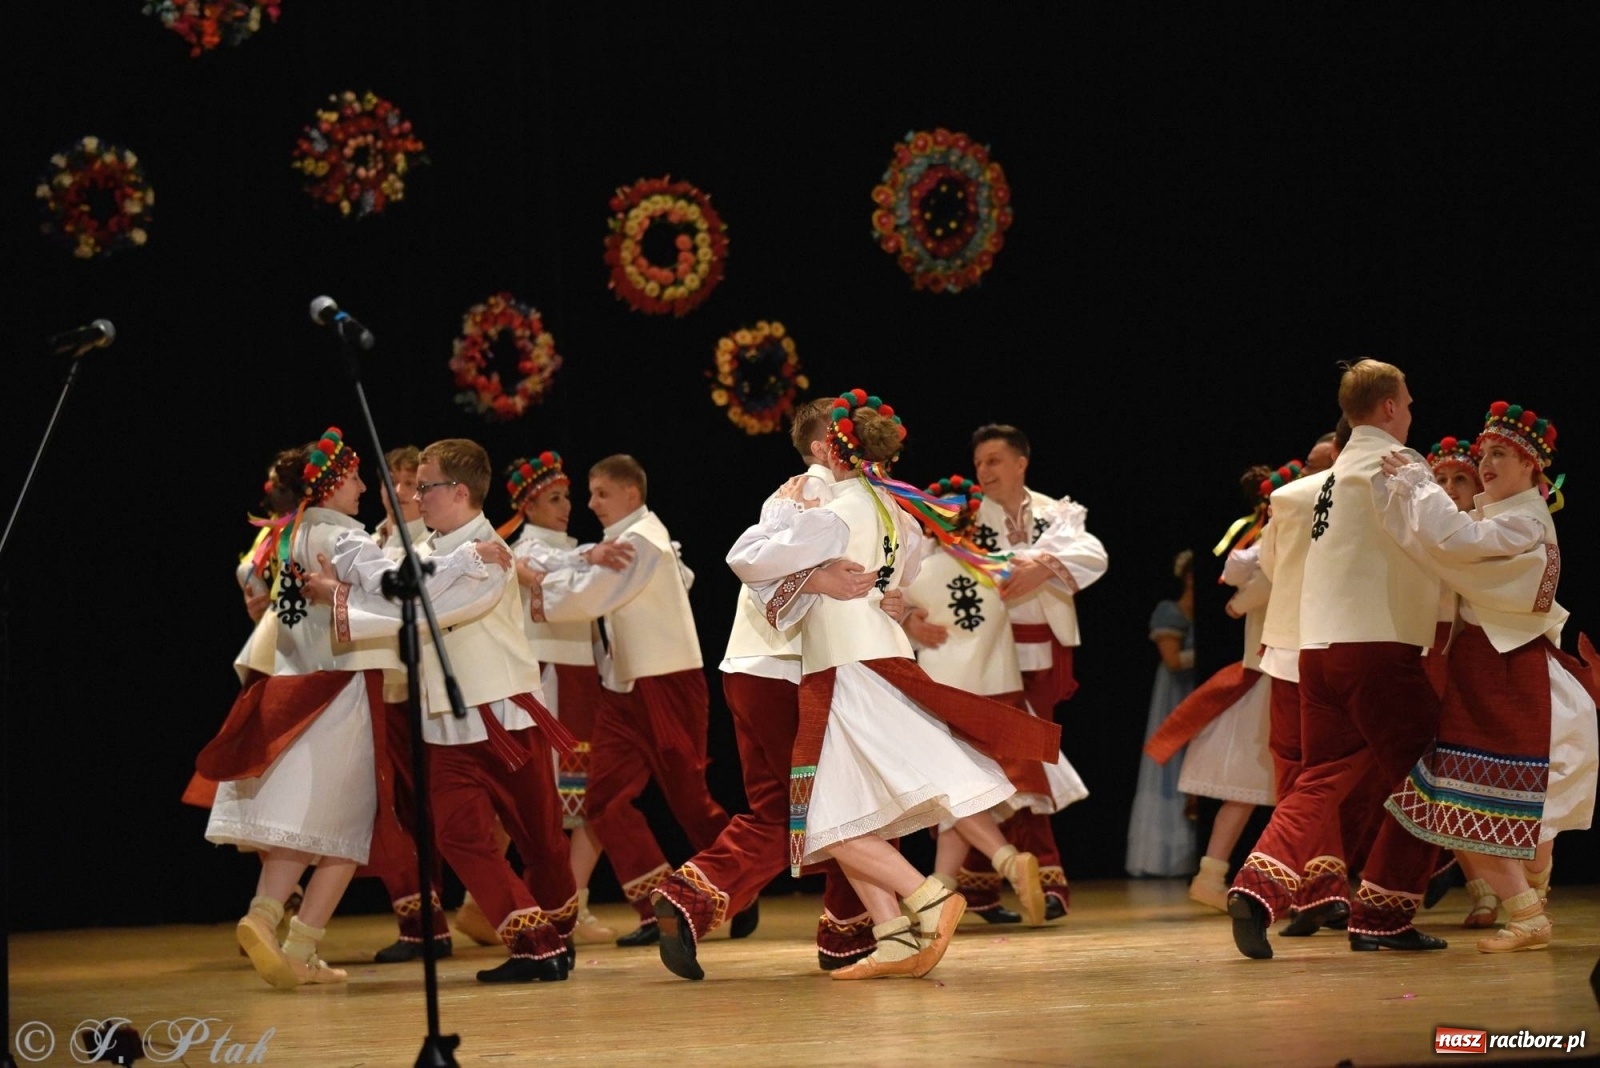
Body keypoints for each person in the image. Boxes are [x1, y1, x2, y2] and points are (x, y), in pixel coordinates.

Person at [725, 389, 1060, 981]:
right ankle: (894, 937)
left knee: (825, 821)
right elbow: (902, 579)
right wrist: (880, 593)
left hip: (845, 668)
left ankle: (928, 897)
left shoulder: (824, 511)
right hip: (886, 660)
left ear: (831, 449)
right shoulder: (893, 509)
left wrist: (813, 576)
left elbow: (745, 557)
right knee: (854, 813)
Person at [305, 437, 580, 983]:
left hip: (503, 713)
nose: (414, 496)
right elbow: (394, 593)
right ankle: (536, 942)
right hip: (443, 722)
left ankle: (558, 934)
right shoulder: (425, 552)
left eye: (424, 486)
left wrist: (339, 598)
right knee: (457, 837)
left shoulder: (492, 553)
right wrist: (344, 584)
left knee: (539, 838)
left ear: (458, 491)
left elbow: (431, 612)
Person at [651, 397, 881, 980]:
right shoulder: (812, 490)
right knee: (845, 802)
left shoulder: (843, 494)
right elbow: (751, 563)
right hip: (783, 669)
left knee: (782, 811)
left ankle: (690, 897)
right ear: (825, 446)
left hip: (757, 666)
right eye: (853, 433)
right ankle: (853, 932)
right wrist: (815, 575)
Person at [1228, 359, 1448, 960]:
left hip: (1316, 654)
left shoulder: (1307, 488)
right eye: (1407, 401)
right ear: (1387, 409)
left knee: (1318, 779)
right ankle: (1383, 912)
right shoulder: (1400, 467)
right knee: (1434, 775)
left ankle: (1256, 886)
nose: (1410, 410)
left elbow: (1276, 570)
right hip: (1377, 647)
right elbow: (1441, 542)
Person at [197, 429, 416, 987]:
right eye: (358, 477)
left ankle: (264, 916)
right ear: (335, 482)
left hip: (296, 687)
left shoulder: (290, 535)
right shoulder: (345, 539)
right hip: (340, 693)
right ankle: (300, 947)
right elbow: (402, 592)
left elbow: (286, 612)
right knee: (347, 832)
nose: (366, 487)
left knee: (303, 832)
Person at [1379, 401, 1598, 952]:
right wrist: (1406, 492)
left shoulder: (1523, 521)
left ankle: (1527, 913)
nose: (1489, 462)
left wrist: (1417, 484)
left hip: (1509, 673)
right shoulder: (1493, 519)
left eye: (1500, 454)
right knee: (1477, 802)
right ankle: (1531, 903)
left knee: (1461, 800)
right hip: (1488, 669)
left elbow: (1450, 544)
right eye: (1486, 454)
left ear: (1531, 467)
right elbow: (1432, 547)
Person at [525, 455, 732, 946]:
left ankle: (735, 885)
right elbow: (680, 580)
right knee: (602, 803)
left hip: (666, 682)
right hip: (623, 686)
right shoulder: (632, 542)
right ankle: (658, 907)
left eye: (600, 493)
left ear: (631, 495)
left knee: (688, 799)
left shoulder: (642, 541)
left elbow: (590, 598)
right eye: (590, 493)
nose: (590, 503)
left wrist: (534, 584)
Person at [900, 473, 1088, 926]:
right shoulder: (997, 564)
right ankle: (964, 881)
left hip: (949, 694)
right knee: (965, 792)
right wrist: (907, 618)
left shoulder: (915, 569)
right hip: (988, 690)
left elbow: (876, 600)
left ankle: (946, 891)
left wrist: (905, 617)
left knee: (957, 792)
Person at [968, 423, 1108, 910]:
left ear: (1020, 463)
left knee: (1023, 762)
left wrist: (1042, 566)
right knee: (1011, 762)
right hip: (988, 653)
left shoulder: (1054, 512)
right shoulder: (966, 517)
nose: (983, 470)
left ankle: (982, 882)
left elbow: (1094, 555)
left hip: (1044, 650)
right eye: (979, 462)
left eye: (993, 460)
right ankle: (1046, 880)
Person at [492, 449, 628, 947]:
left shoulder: (570, 547)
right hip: (546, 679)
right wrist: (589, 557)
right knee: (540, 800)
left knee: (585, 800)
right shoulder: (524, 547)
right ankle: (533, 905)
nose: (566, 505)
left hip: (579, 679)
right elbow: (538, 568)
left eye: (567, 496)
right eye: (555, 498)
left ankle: (572, 904)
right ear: (527, 507)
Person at [1146, 464, 1294, 908]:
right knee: (1256, 780)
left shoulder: (1279, 548)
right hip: (1274, 673)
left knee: (1264, 784)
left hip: (1282, 672)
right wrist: (1240, 600)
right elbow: (1240, 576)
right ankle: (1221, 875)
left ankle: (1275, 875)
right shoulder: (1273, 546)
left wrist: (1239, 601)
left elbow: (1240, 585)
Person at [1126, 550, 1198, 877]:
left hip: (1201, 692)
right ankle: (1164, 857)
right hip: (1176, 695)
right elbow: (1172, 660)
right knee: (1173, 760)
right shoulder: (1170, 611)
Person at [373, 444, 427, 550]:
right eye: (391, 482)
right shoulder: (365, 544)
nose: (398, 491)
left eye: (409, 483)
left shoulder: (432, 553)